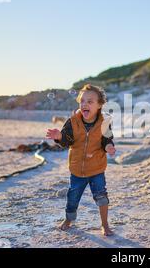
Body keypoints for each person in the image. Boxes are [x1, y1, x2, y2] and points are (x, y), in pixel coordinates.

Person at [46, 84, 116, 236]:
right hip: (77, 169)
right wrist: (59, 137)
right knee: (73, 198)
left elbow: (107, 139)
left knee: (102, 197)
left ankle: (105, 225)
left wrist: (109, 146)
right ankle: (68, 220)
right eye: (82, 101)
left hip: (97, 168)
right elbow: (67, 140)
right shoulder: (72, 121)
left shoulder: (105, 122)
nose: (85, 104)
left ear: (99, 105)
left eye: (90, 101)